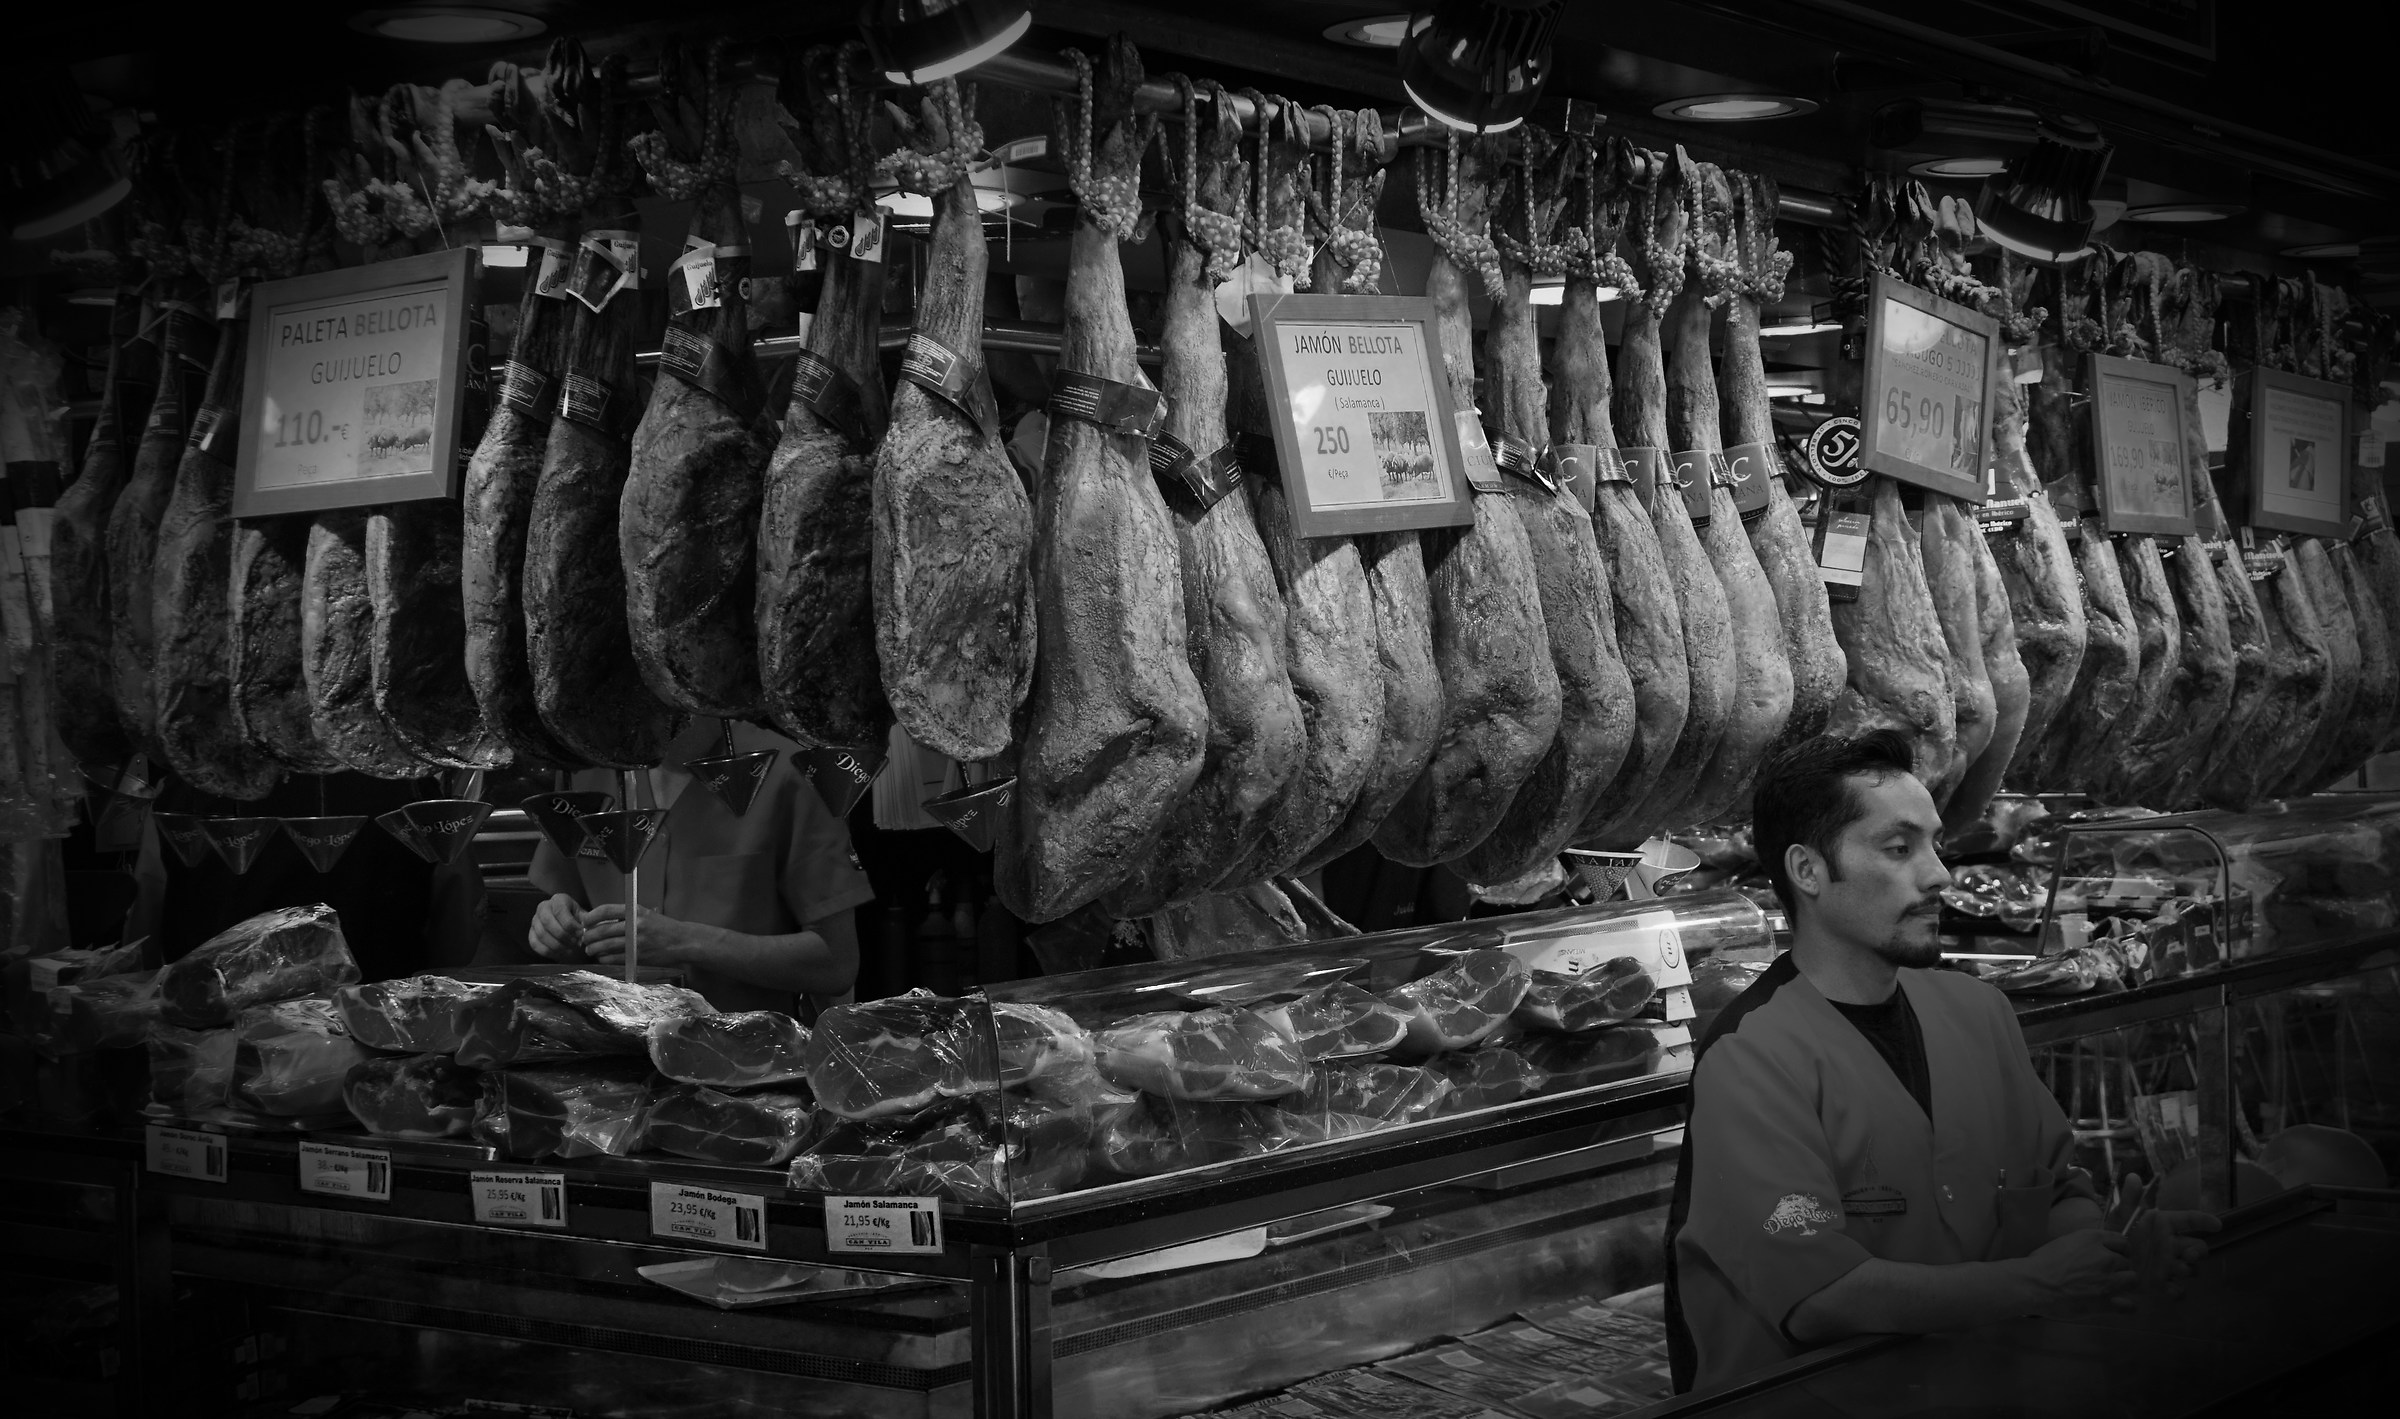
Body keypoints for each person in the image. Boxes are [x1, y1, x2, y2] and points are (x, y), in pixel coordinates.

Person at [1664, 730, 2218, 1393]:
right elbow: (1821, 1293)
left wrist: (2110, 1253)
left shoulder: (1978, 1013)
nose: (1939, 875)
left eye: (1936, 846)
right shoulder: (1751, 1057)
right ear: (1808, 871)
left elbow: (2055, 1191)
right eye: (1900, 849)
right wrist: (2036, 1282)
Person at [525, 718, 874, 1012]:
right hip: (609, 1047)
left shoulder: (790, 769)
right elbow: (565, 905)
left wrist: (686, 942)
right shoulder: (587, 768)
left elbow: (836, 964)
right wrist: (557, 925)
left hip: (746, 1056)